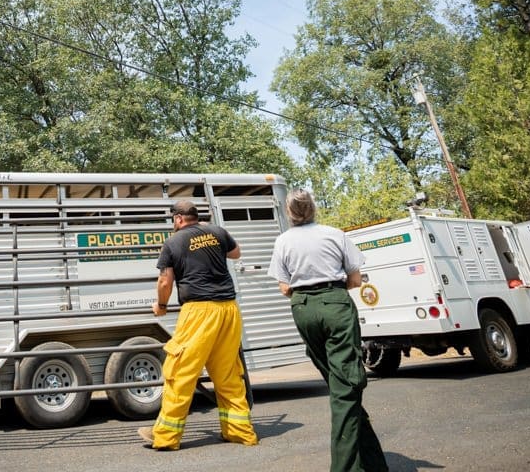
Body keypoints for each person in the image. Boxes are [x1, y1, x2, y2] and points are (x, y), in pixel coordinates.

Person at [267, 189, 387, 472]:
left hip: (303, 308)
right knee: (346, 386)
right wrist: (331, 292)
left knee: (341, 384)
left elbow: (284, 287)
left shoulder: (282, 241)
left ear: (288, 212)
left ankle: (374, 464)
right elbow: (356, 279)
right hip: (335, 304)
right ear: (314, 208)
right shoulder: (334, 234)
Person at [138, 200, 258, 450]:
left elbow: (165, 281)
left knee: (180, 372)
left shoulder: (173, 242)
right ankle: (240, 432)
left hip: (199, 312)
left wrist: (160, 305)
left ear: (179, 219)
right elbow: (236, 254)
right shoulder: (216, 232)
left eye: (174, 219)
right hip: (228, 309)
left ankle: (165, 436)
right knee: (227, 374)